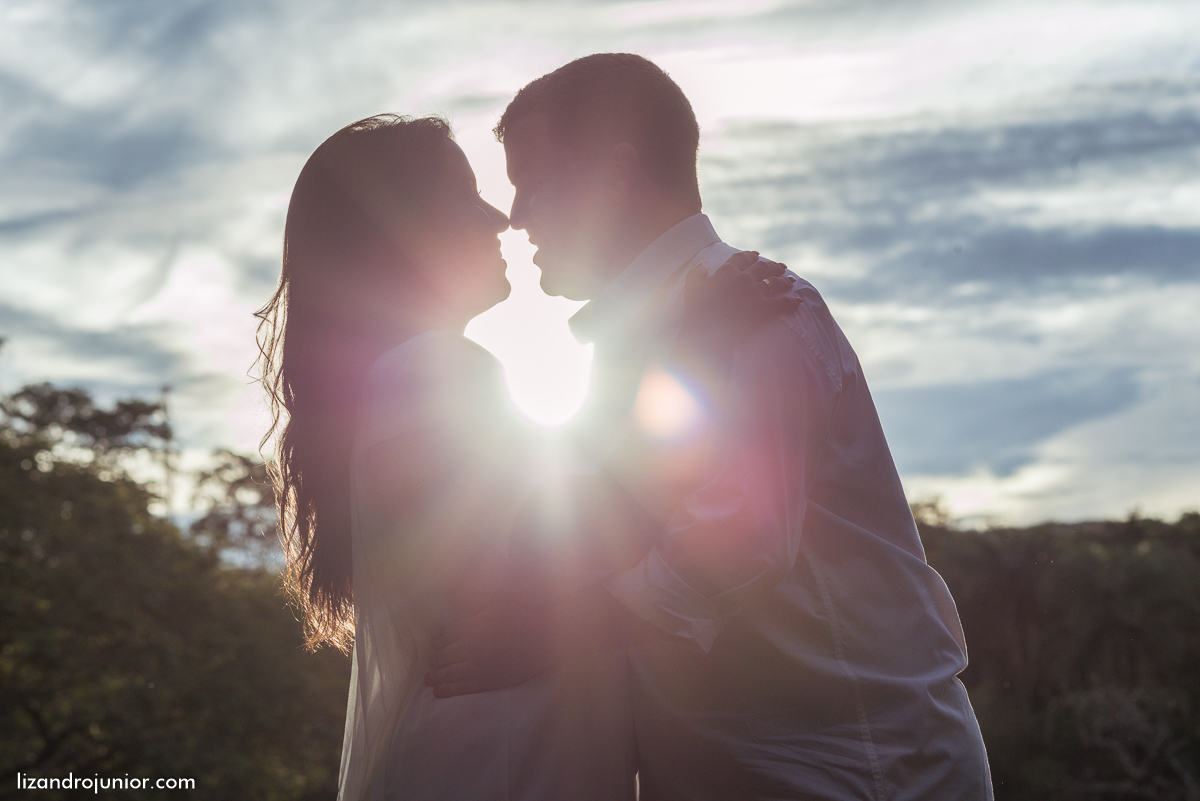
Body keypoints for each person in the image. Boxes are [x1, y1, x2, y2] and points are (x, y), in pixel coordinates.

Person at [426, 53, 994, 799]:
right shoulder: (634, 345)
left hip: (859, 772)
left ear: (614, 176)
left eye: (537, 183)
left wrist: (547, 635)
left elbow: (737, 542)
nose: (519, 215)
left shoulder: (763, 310)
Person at [254, 114, 792, 800]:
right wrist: (701, 348)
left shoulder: (409, 375)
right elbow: (581, 523)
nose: (499, 219)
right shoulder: (433, 368)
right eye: (465, 194)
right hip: (502, 756)